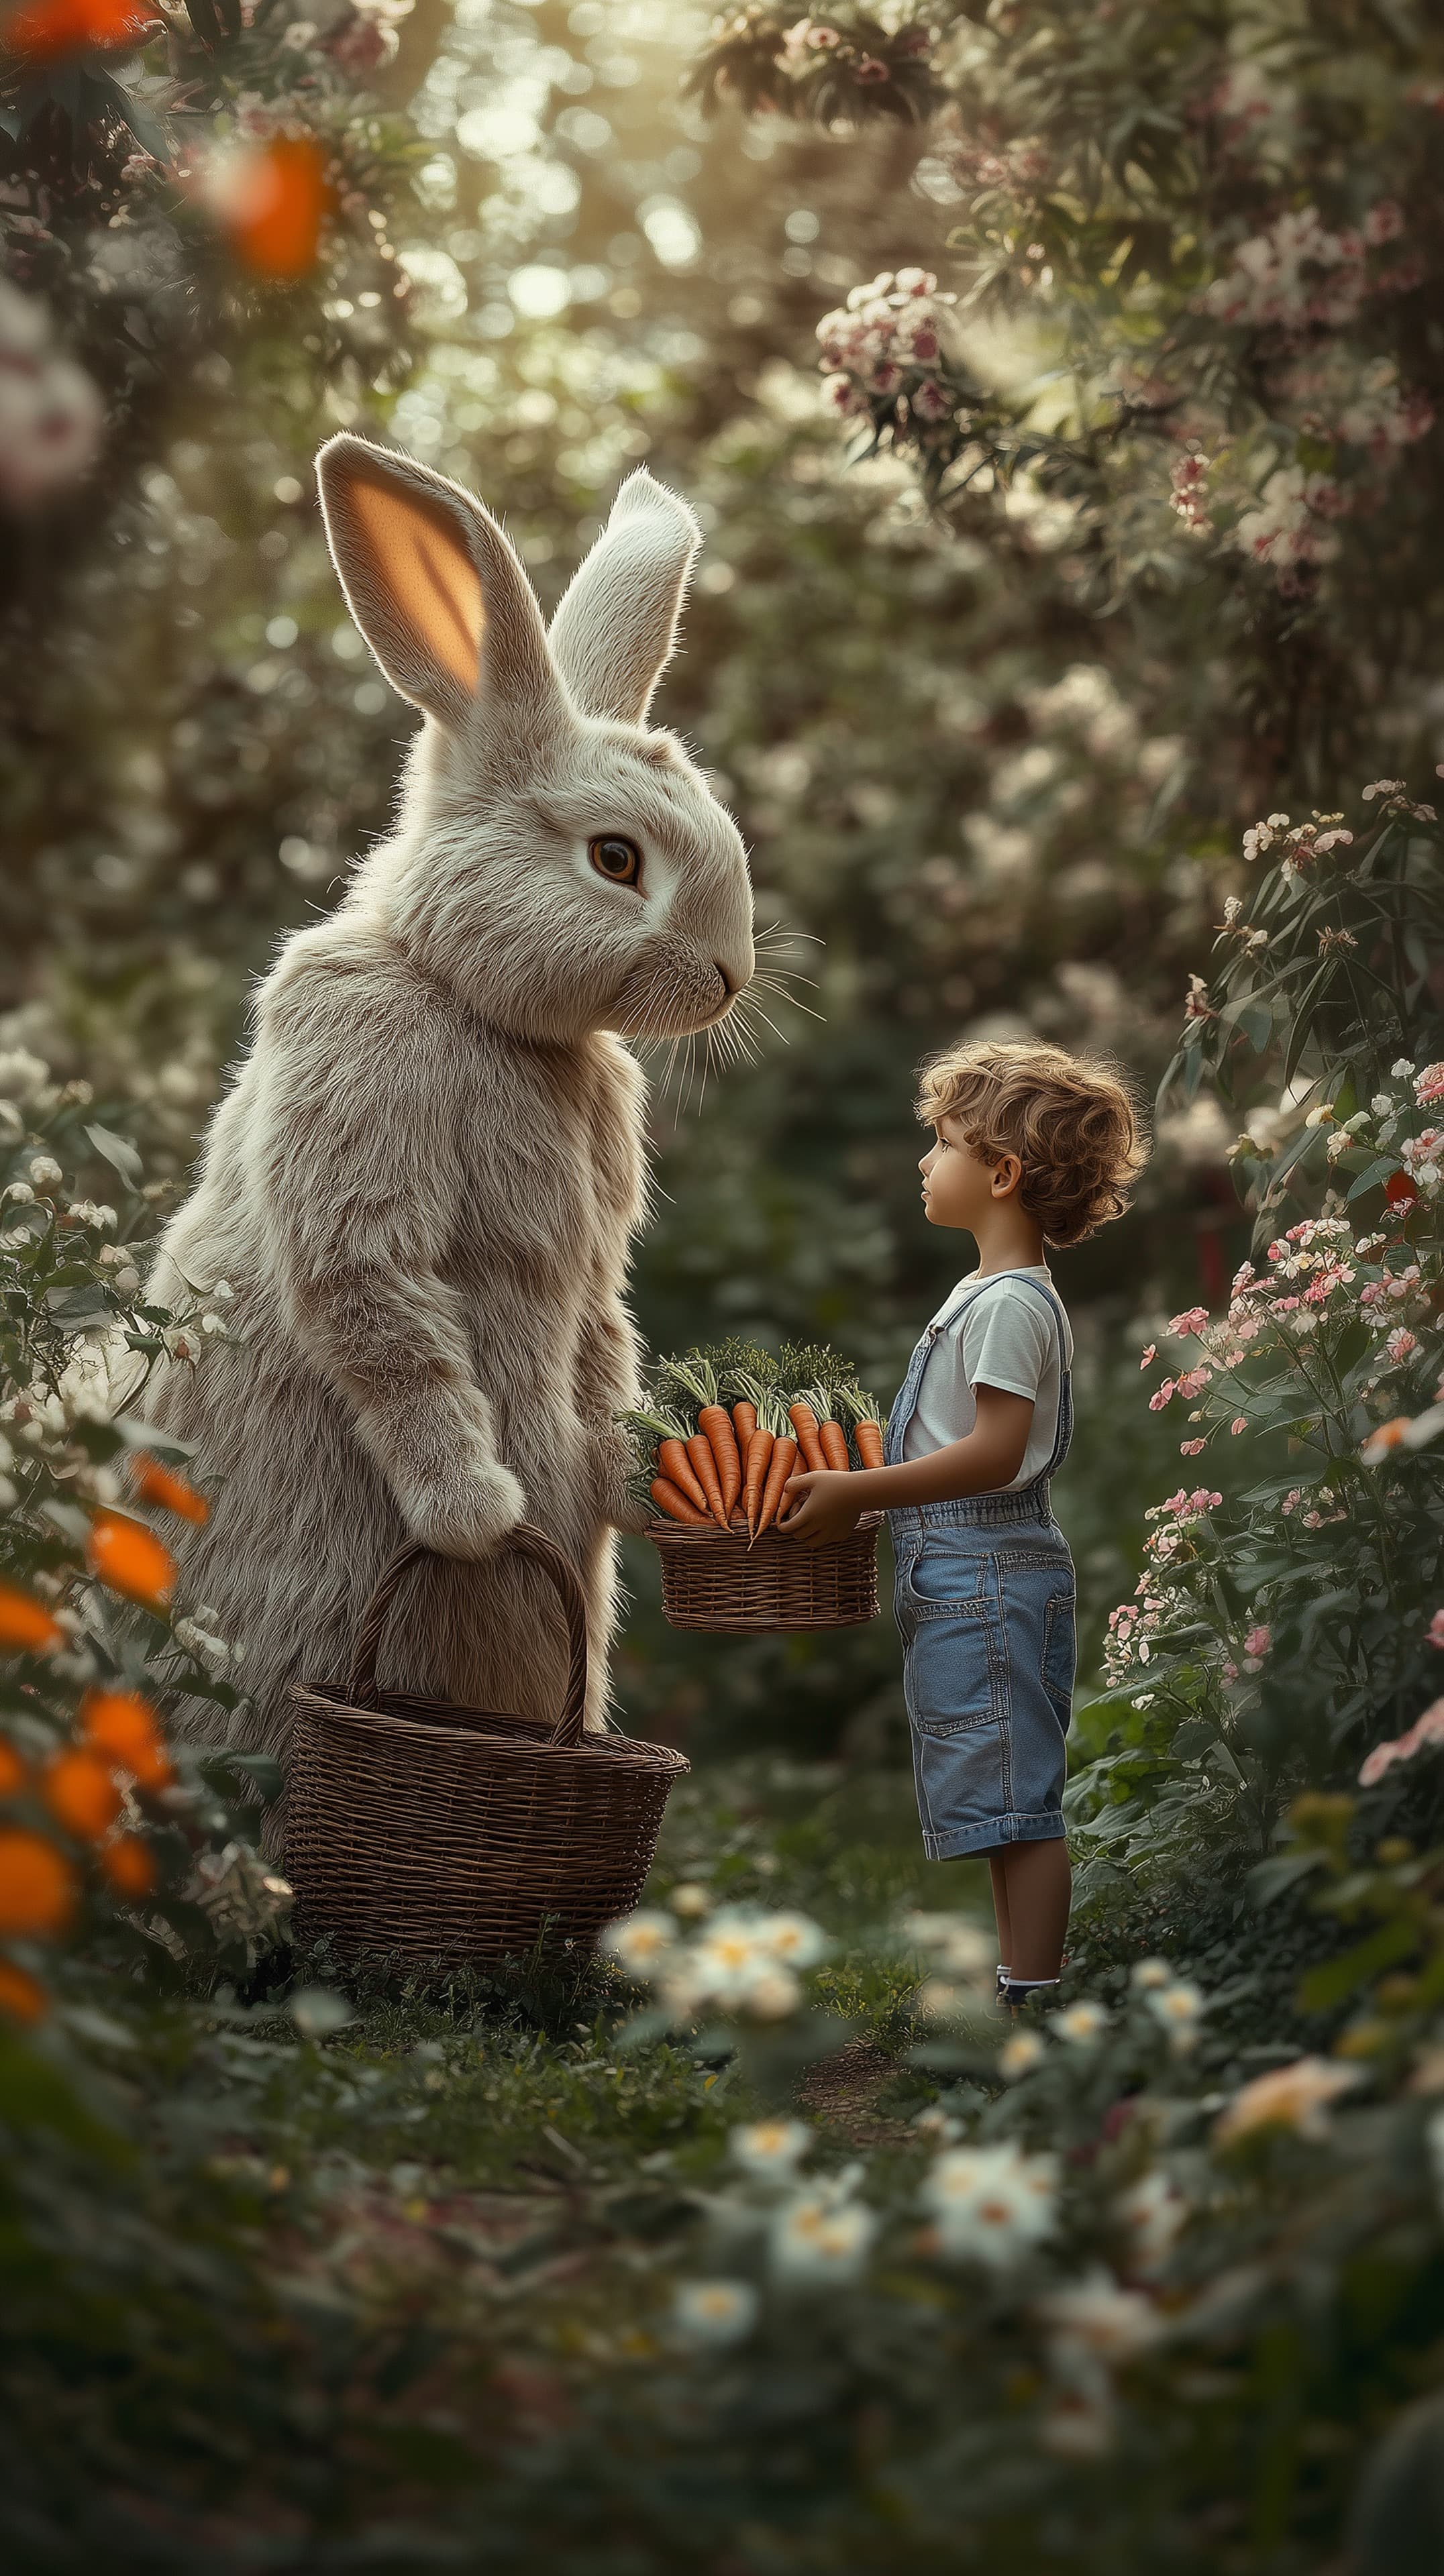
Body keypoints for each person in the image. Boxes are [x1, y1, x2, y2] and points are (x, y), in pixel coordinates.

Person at [781, 1039, 1147, 2008]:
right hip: (964, 1567)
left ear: (1000, 1172)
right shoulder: (990, 1295)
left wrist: (864, 1491)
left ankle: (1034, 1998)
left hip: (987, 1565)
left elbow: (992, 1452)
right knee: (999, 1794)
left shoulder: (1011, 1306)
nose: (922, 1163)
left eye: (939, 1144)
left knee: (1021, 1802)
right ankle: (1017, 1981)